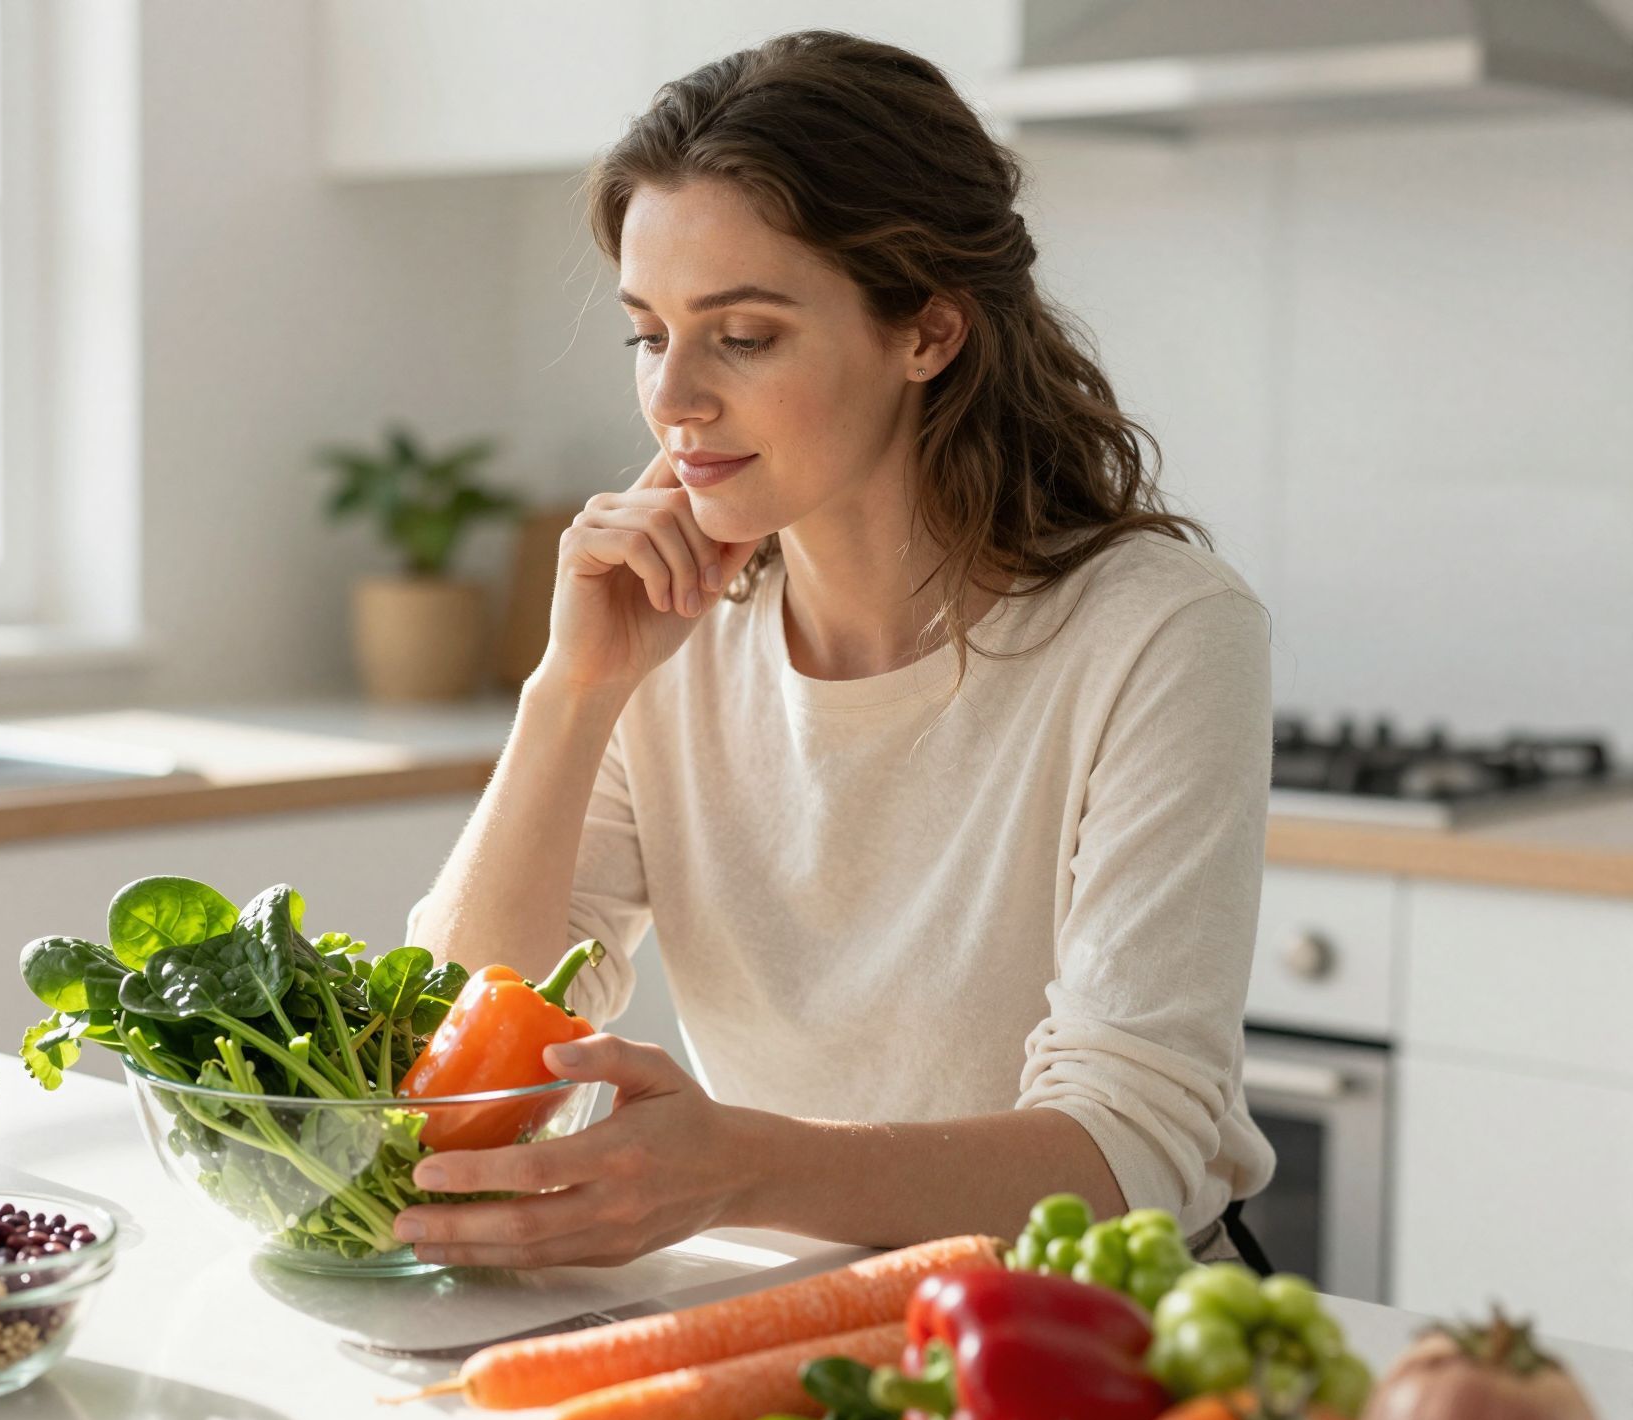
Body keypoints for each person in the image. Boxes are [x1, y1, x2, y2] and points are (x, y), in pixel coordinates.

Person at [400, 30, 1275, 1272]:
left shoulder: (1160, 633)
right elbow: (445, 1053)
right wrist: (572, 692)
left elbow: (1126, 1148)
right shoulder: (666, 635)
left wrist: (743, 1166)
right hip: (793, 1305)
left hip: (1094, 1327)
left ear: (926, 332)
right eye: (648, 333)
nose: (673, 397)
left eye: (742, 336)